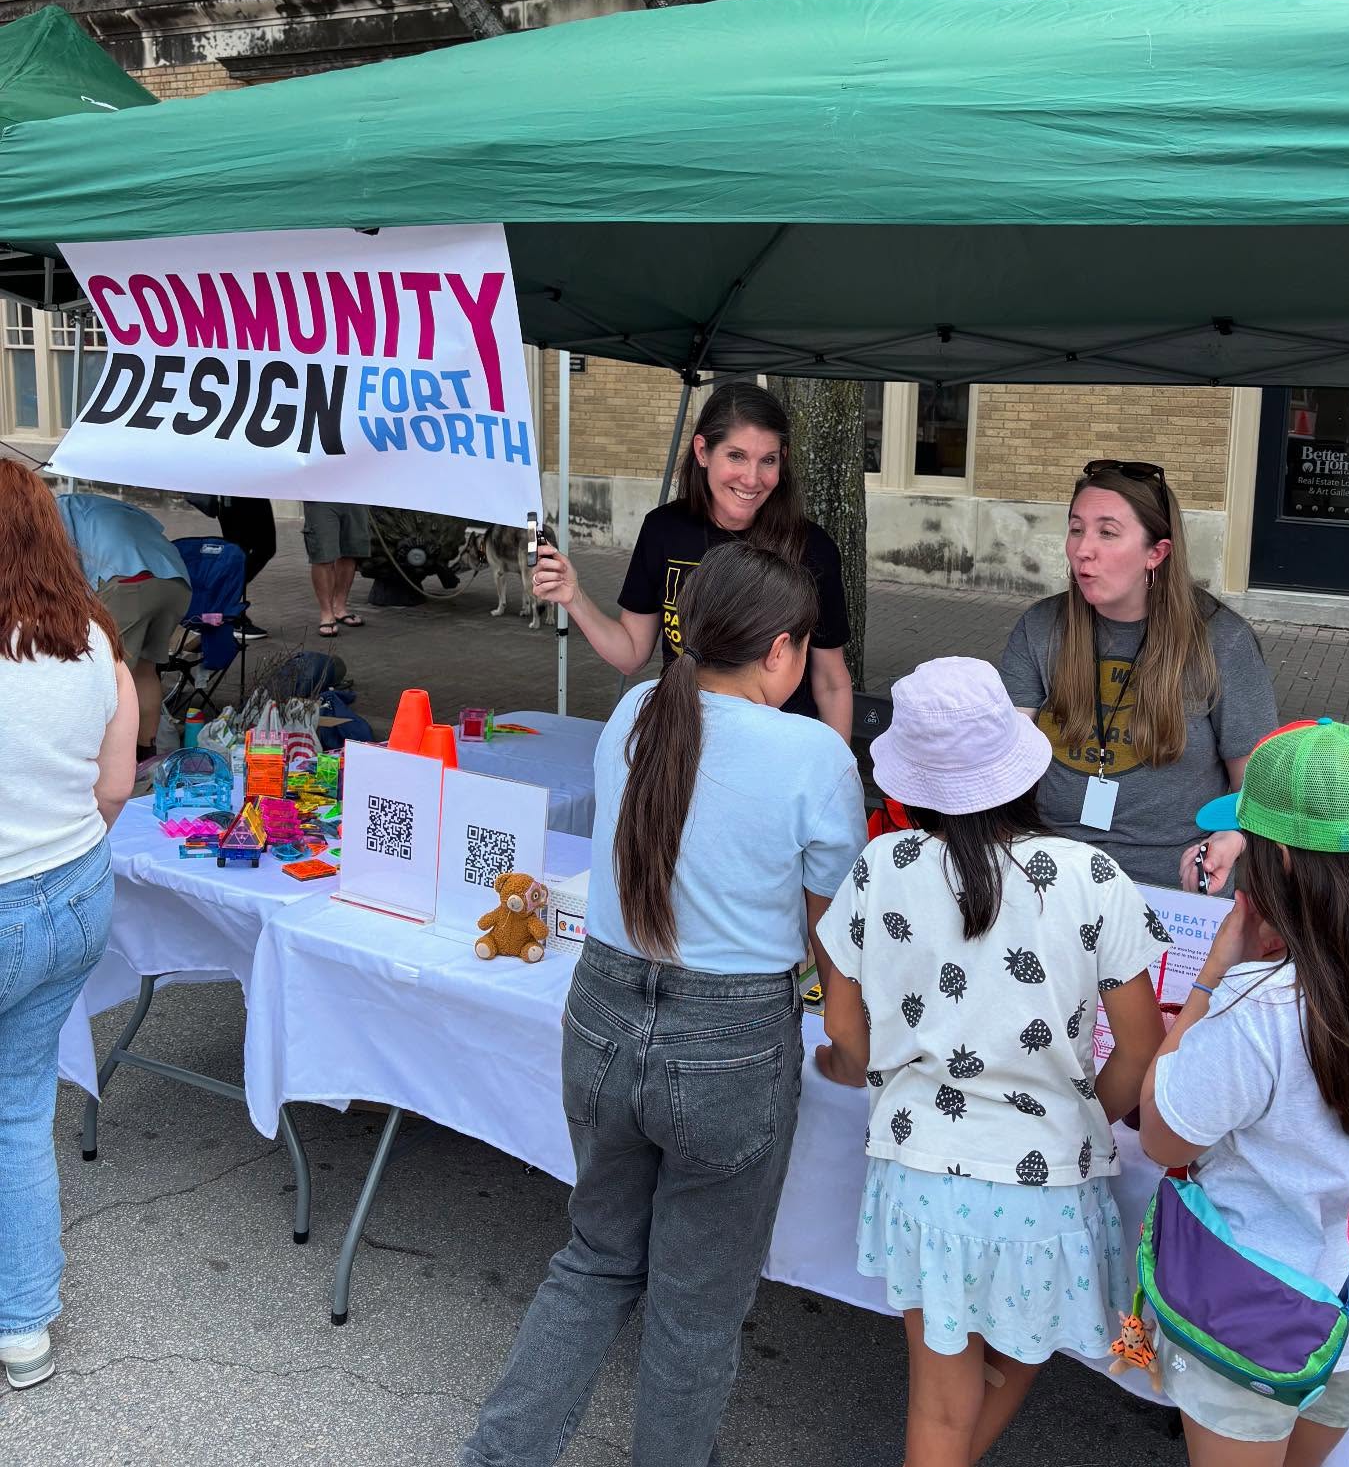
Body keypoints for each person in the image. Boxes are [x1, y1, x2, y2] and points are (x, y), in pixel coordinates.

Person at [460, 543, 867, 1467]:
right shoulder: (812, 752)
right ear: (781, 651)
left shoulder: (637, 710)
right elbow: (831, 934)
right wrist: (849, 1041)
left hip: (601, 1010)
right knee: (695, 1306)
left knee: (593, 1259)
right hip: (728, 1038)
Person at [815, 657, 1168, 1467]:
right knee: (1015, 1357)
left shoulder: (883, 866)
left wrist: (878, 1076)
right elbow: (1142, 1047)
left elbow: (842, 1021)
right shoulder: (1093, 877)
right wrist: (1081, 1116)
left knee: (940, 1408)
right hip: (1045, 1185)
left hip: (919, 1176)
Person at [1139, 718, 1349, 1465]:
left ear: (1281, 865)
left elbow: (1162, 1135)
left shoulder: (1260, 1010)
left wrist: (1213, 975)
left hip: (1251, 1311)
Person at [0, 461, 139, 1391]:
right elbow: (117, 785)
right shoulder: (94, 639)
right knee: (19, 1113)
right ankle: (24, 1328)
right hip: (74, 894)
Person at [999, 459, 1277, 891]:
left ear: (1157, 552)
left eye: (1107, 532)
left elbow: (1255, 783)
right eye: (1076, 529)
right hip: (1049, 876)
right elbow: (1004, 751)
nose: (1082, 550)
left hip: (1170, 882)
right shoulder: (1041, 627)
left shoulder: (1223, 640)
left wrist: (1231, 837)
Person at [531, 382, 854, 737]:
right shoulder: (664, 529)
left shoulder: (812, 547)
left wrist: (840, 770)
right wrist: (573, 597)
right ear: (703, 451)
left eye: (768, 460)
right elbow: (632, 654)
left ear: (783, 460)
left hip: (780, 753)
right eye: (736, 456)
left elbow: (831, 681)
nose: (752, 478)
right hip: (683, 744)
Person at [56, 490, 190, 766]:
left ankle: (105, 763)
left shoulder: (53, 512)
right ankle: (146, 760)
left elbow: (61, 568)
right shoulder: (100, 505)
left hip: (129, 580)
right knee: (145, 670)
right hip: (175, 580)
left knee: (106, 675)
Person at [302, 501, 370, 637]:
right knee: (323, 554)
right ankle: (327, 613)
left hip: (354, 494)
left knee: (350, 552)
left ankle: (340, 608)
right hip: (320, 496)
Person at [216, 497, 274, 639]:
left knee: (263, 548)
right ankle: (229, 613)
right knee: (240, 552)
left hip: (252, 493)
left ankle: (223, 604)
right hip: (237, 494)